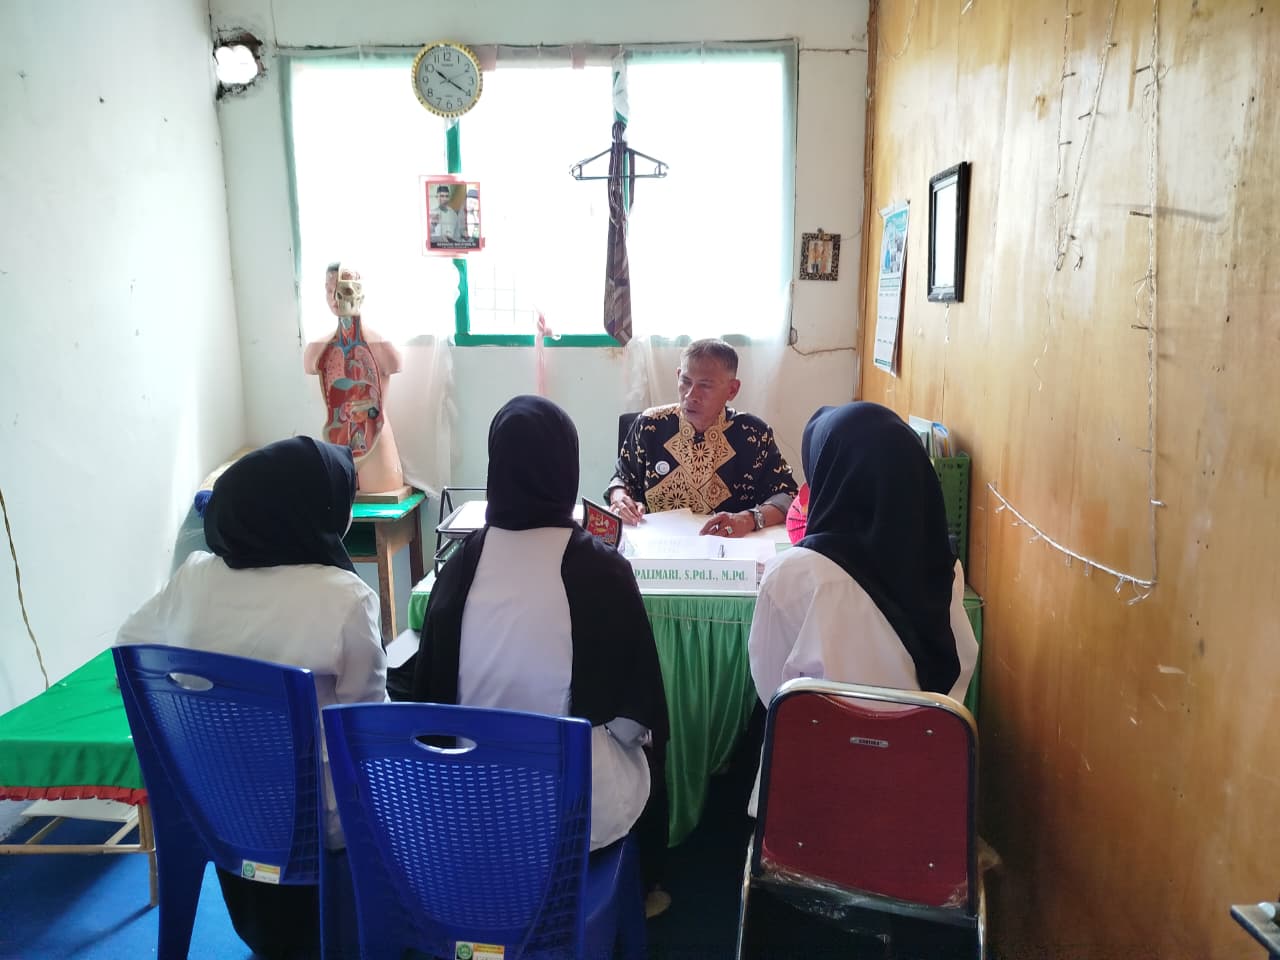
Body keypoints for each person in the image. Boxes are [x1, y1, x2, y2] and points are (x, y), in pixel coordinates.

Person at [116, 437, 386, 960]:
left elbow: (130, 644)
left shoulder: (194, 577)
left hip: (211, 807)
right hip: (316, 828)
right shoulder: (344, 598)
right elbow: (366, 730)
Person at [409, 395, 671, 909]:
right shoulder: (603, 570)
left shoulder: (460, 566)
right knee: (641, 747)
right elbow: (634, 718)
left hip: (464, 806)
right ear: (567, 466)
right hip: (572, 816)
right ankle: (645, 888)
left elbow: (430, 699)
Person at [746, 403, 979, 812]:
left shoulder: (793, 575)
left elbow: (772, 691)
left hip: (814, 790)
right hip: (919, 788)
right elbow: (958, 665)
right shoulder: (945, 568)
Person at [606, 338, 798, 538]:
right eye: (685, 381)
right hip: (657, 546)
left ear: (732, 390)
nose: (691, 395)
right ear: (678, 376)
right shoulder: (650, 425)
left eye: (705, 386)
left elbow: (787, 495)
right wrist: (619, 498)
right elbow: (621, 478)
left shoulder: (753, 434)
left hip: (726, 545)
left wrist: (748, 519)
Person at [303, 262, 405, 494]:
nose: (335, 298)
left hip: (374, 435)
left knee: (378, 496)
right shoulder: (317, 349)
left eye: (343, 289)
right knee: (337, 504)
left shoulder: (380, 345)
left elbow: (394, 363)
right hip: (337, 435)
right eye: (330, 290)